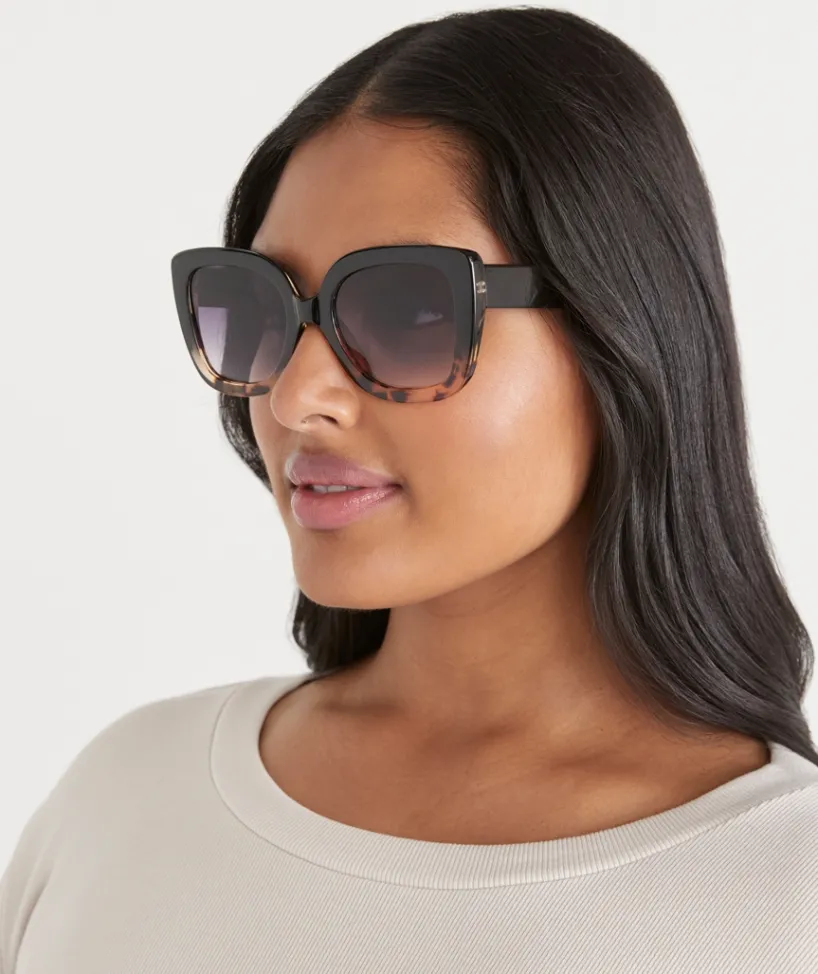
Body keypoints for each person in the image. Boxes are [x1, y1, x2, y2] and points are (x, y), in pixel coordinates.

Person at [2, 6, 817, 972]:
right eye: (264, 306)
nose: (295, 396)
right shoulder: (125, 800)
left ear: (621, 331)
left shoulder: (785, 895)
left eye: (407, 310)